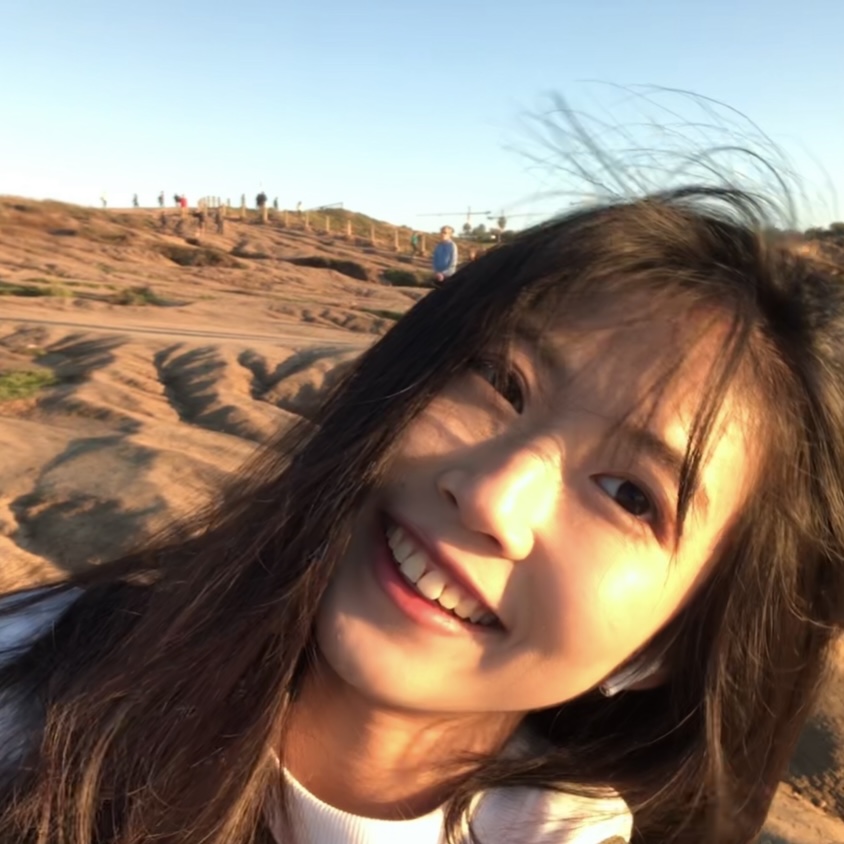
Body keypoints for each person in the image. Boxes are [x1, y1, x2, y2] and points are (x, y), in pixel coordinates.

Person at [0, 186, 842, 844]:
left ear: (672, 643)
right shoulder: (38, 691)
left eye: (630, 494)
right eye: (502, 382)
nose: (492, 495)